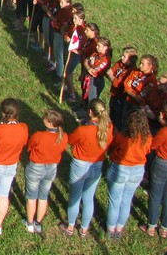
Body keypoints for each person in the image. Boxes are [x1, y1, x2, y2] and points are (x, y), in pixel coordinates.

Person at [59, 98, 113, 238]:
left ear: (90, 112)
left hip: (80, 165)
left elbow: (71, 141)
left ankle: (70, 226)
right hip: (97, 165)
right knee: (89, 198)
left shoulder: (84, 130)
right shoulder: (109, 128)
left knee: (75, 197)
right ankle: (84, 229)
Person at [0, 98, 28, 235]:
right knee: (4, 196)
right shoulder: (23, 128)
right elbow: (24, 142)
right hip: (11, 164)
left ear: (3, 113)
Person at [106, 109, 152, 239]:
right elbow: (147, 151)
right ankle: (119, 229)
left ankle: (110, 230)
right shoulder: (148, 139)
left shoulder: (123, 137)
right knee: (126, 201)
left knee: (114, 201)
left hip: (120, 169)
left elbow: (113, 147)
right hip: (137, 171)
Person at [143, 98, 167, 238]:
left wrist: (162, 124)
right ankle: (165, 227)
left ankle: (151, 226)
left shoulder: (166, 131)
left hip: (162, 164)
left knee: (155, 195)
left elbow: (153, 145)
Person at [23, 110, 67, 233]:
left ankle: (29, 223)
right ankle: (38, 222)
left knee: (31, 196)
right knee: (43, 196)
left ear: (49, 123)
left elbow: (30, 147)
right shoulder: (63, 136)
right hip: (51, 168)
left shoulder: (39, 135)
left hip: (36, 168)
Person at [107, 46, 138, 130]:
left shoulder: (131, 71)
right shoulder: (120, 63)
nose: (122, 58)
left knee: (118, 121)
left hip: (120, 98)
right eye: (122, 55)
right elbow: (109, 72)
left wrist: (113, 79)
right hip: (113, 94)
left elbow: (118, 84)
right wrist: (114, 80)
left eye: (124, 56)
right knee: (111, 116)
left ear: (131, 60)